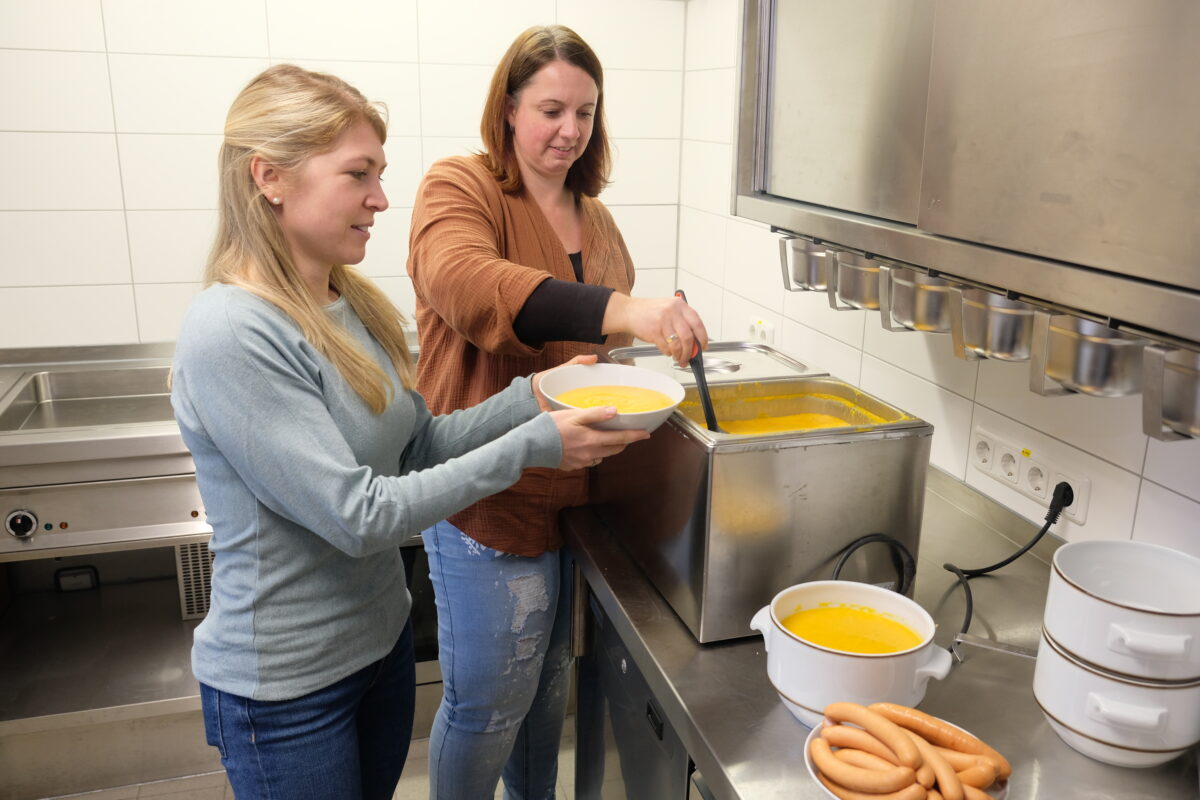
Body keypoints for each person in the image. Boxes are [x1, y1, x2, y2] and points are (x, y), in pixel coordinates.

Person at [170, 63, 647, 800]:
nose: (381, 199)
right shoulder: (231, 330)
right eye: (358, 174)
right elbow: (359, 515)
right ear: (269, 176)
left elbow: (419, 446)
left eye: (379, 173)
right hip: (288, 690)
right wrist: (541, 444)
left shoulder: (349, 302)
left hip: (378, 652)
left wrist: (537, 396)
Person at [406, 25, 709, 799]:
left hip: (575, 503)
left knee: (543, 698)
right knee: (485, 707)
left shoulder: (597, 221)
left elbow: (602, 361)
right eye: (549, 110)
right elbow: (473, 286)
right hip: (484, 499)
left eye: (584, 112)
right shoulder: (460, 187)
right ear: (508, 109)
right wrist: (628, 311)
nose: (569, 131)